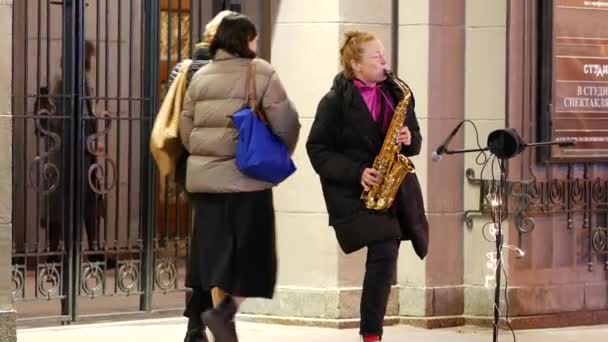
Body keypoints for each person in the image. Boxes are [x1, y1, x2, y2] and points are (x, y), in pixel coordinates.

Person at [179, 13, 300, 342]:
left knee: (212, 256)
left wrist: (208, 158)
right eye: (254, 38)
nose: (256, 45)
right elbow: (286, 123)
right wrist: (276, 153)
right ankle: (224, 313)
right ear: (245, 40)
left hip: (206, 186)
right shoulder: (259, 70)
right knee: (252, 255)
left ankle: (209, 324)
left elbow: (186, 130)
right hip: (247, 183)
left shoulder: (200, 76)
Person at [306, 30, 429, 342]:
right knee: (386, 245)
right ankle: (371, 334)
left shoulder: (397, 94)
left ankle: (371, 333)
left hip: (390, 189)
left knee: (386, 250)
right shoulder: (334, 102)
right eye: (376, 57)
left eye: (383, 55)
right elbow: (317, 150)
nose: (384, 61)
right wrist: (357, 172)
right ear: (355, 65)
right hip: (352, 193)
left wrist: (409, 139)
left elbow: (414, 137)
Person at [165, 9, 236, 342]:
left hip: (191, 168)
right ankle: (202, 321)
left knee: (206, 241)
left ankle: (196, 324)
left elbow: (173, 118)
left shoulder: (183, 69)